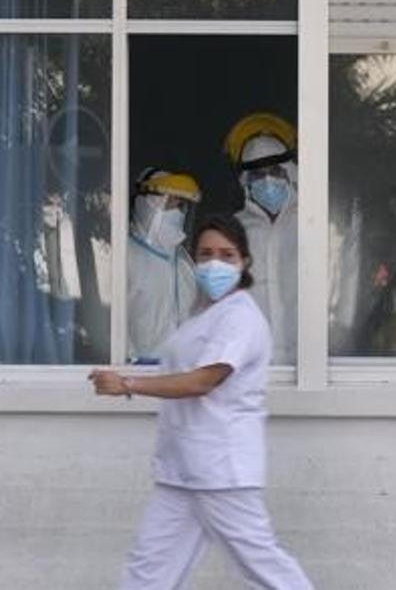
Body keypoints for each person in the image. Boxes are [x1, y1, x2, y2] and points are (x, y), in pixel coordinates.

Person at [89, 215, 314, 590]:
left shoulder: (241, 317)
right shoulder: (202, 317)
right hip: (180, 469)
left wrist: (128, 384)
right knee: (148, 570)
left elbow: (204, 380)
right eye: (206, 254)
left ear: (244, 262)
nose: (215, 263)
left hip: (221, 470)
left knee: (264, 567)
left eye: (227, 255)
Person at [224, 112, 298, 365]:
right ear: (246, 181)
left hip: (307, 365)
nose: (267, 180)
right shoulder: (233, 230)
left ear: (289, 172)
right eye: (257, 173)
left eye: (275, 170)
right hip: (252, 366)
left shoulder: (312, 223)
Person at [127, 168, 202, 363]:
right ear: (146, 203)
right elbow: (109, 325)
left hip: (182, 371)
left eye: (181, 204)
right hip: (136, 373)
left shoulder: (184, 262)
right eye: (170, 202)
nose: (177, 211)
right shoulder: (124, 256)